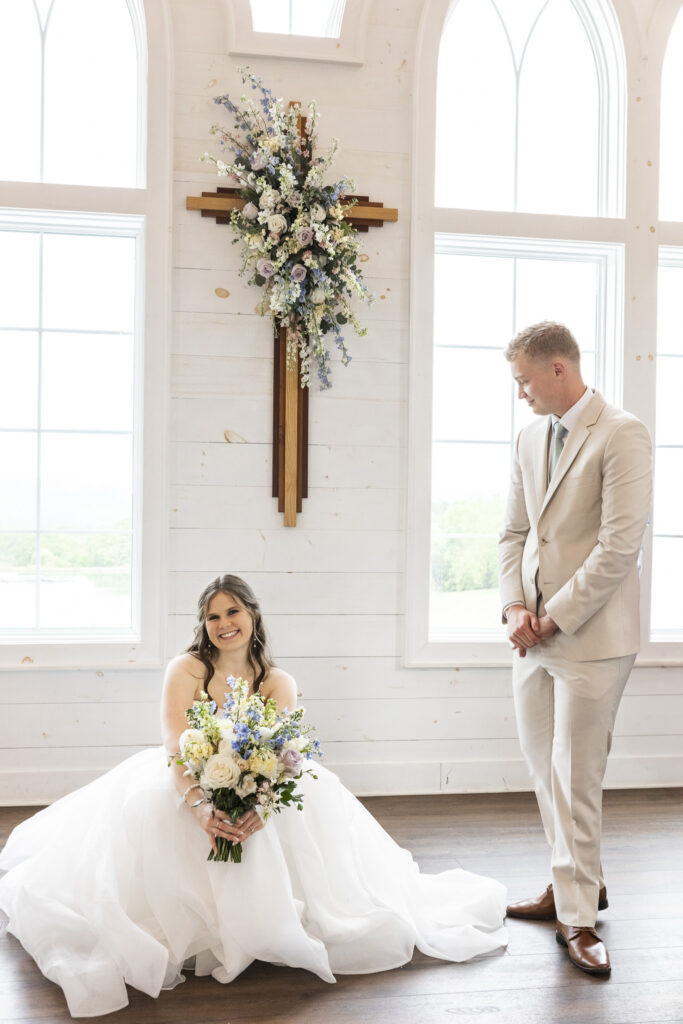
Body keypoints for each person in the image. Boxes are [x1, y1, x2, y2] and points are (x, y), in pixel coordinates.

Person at [0, 574, 508, 1018]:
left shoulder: (277, 681)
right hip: (191, 779)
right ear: (204, 624)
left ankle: (269, 922)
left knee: (293, 815)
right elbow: (176, 744)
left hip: (261, 786)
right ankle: (208, 926)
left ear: (252, 614)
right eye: (213, 615)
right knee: (156, 815)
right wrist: (199, 803)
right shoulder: (187, 669)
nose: (224, 623)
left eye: (233, 611)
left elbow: (283, 757)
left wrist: (259, 806)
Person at [498, 322, 652, 977]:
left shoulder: (622, 434)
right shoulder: (530, 437)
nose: (521, 395)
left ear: (558, 368)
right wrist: (513, 608)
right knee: (543, 771)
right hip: (528, 639)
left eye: (524, 381)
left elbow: (619, 547)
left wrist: (552, 618)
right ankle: (574, 882)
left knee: (575, 778)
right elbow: (510, 533)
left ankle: (579, 920)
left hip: (590, 638)